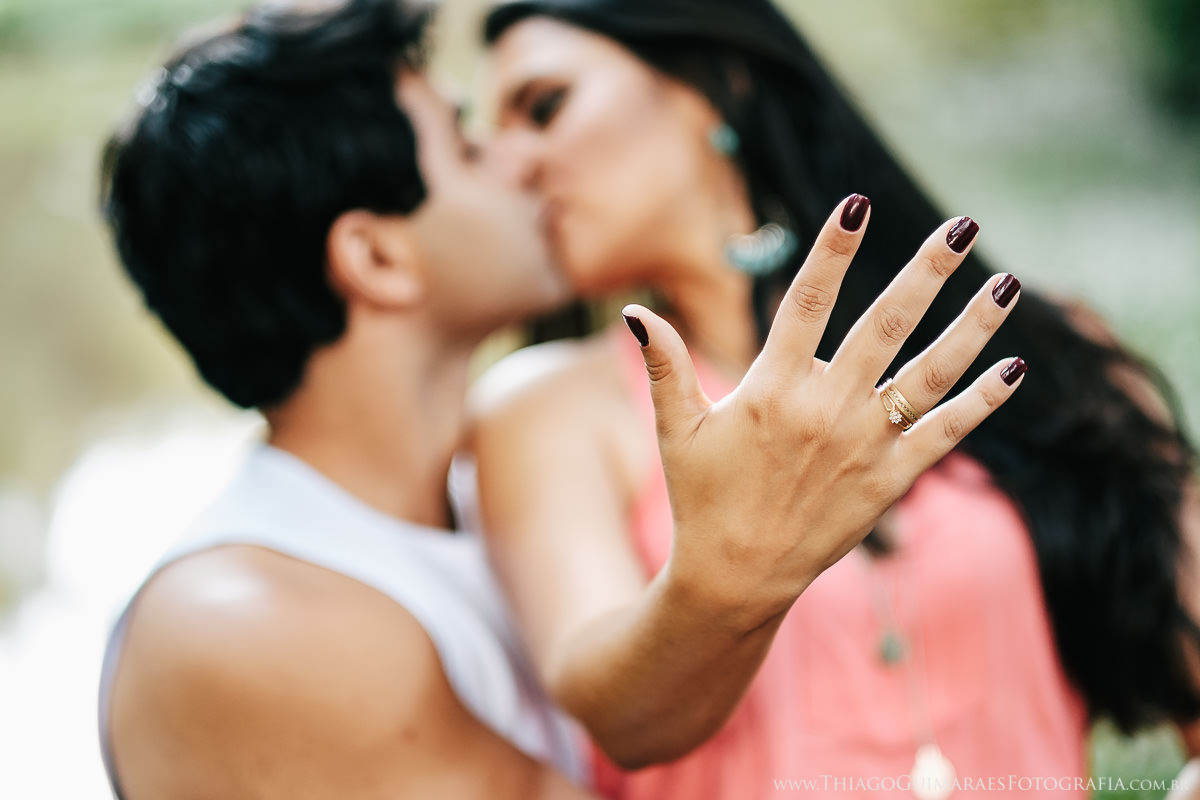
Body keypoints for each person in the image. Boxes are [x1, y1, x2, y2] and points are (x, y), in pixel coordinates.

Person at [95, 1, 1023, 798]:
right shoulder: (240, 622)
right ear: (376, 257)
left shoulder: (494, 508)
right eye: (468, 144)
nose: (521, 162)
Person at [470, 0, 1200, 797]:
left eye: (543, 107)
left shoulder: (1020, 358)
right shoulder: (546, 408)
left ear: (716, 80)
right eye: (487, 136)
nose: (510, 164)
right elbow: (628, 720)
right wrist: (729, 576)